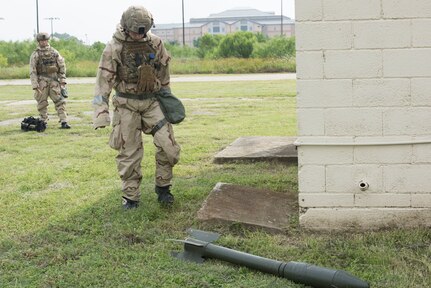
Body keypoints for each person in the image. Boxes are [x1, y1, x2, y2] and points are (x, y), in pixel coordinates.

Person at [92, 5, 181, 209]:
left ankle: (163, 187)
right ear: (125, 26)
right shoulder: (114, 47)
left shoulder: (156, 43)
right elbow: (103, 82)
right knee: (129, 153)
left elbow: (164, 75)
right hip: (126, 105)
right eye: (136, 31)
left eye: (144, 30)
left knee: (169, 147)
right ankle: (131, 197)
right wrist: (101, 113)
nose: (140, 36)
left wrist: (168, 100)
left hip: (152, 102)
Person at [29, 32, 71, 129]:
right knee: (42, 103)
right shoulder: (36, 54)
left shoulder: (54, 52)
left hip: (54, 81)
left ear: (47, 40)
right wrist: (35, 85)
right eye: (41, 41)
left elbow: (61, 66)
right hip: (42, 82)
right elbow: (32, 70)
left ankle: (64, 121)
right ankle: (43, 121)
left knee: (60, 101)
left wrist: (63, 80)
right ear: (39, 42)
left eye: (45, 40)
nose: (43, 42)